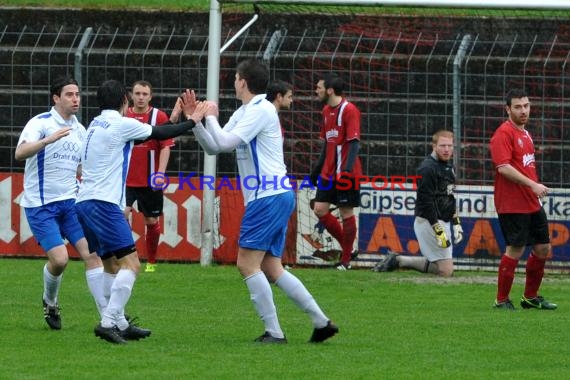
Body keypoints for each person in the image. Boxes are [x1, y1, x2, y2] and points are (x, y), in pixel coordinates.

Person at [188, 59, 338, 344]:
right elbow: (215, 146)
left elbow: (226, 141)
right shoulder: (246, 111)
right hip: (273, 196)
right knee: (271, 267)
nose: (234, 83)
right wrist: (196, 121)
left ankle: (275, 332)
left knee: (246, 264)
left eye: (235, 78)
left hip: (267, 196)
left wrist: (210, 115)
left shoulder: (262, 109)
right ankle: (321, 322)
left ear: (243, 81)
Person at [75, 79, 205, 344]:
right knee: (132, 264)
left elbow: (153, 131)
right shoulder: (121, 124)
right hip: (104, 204)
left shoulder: (93, 125)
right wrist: (193, 121)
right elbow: (157, 134)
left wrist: (177, 117)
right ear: (125, 100)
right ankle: (108, 322)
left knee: (111, 263)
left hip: (84, 203)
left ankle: (120, 322)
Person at [15, 76, 106, 330]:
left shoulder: (80, 129)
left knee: (92, 254)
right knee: (60, 260)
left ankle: (109, 318)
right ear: (56, 98)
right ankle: (50, 300)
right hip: (40, 204)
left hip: (71, 204)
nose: (75, 99)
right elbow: (19, 153)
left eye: (77, 94)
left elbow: (81, 166)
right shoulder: (40, 123)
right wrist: (46, 141)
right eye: (69, 94)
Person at [489, 88, 557, 311]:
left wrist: (533, 187)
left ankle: (530, 297)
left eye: (526, 105)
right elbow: (504, 168)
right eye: (518, 106)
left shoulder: (525, 134)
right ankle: (501, 300)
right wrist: (532, 185)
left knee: (543, 248)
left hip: (531, 201)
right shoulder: (503, 133)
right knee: (515, 249)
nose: (523, 110)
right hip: (512, 203)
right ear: (508, 109)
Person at [373, 130, 464, 277]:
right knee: (446, 271)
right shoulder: (427, 168)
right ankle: (400, 261)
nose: (446, 149)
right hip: (429, 221)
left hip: (443, 220)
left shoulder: (449, 167)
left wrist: (457, 222)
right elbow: (426, 202)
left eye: (449, 145)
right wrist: (438, 230)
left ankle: (398, 260)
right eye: (442, 146)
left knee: (445, 269)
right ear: (433, 146)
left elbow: (450, 197)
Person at [124, 80, 177, 273]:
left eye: (144, 94)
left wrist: (160, 174)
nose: (140, 97)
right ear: (131, 95)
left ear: (150, 96)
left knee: (151, 221)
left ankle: (152, 262)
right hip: (125, 180)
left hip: (149, 179)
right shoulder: (124, 115)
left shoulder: (158, 116)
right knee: (122, 216)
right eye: (137, 93)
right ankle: (126, 257)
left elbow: (165, 147)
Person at [310, 72, 362, 270]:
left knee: (346, 212)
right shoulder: (325, 111)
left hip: (345, 172)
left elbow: (354, 143)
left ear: (330, 90)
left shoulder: (349, 110)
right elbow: (327, 144)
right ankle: (348, 249)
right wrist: (317, 169)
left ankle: (346, 260)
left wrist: (347, 171)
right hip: (327, 172)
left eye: (319, 87)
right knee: (319, 209)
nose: (317, 91)